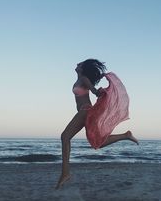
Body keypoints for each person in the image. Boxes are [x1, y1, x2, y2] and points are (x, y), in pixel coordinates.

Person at [56, 59, 138, 189]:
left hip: (85, 111)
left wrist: (100, 91)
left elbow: (94, 92)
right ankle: (126, 135)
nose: (77, 64)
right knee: (97, 142)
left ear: (83, 68)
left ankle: (65, 173)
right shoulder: (80, 80)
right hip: (84, 112)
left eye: (80, 64)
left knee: (65, 137)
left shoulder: (83, 79)